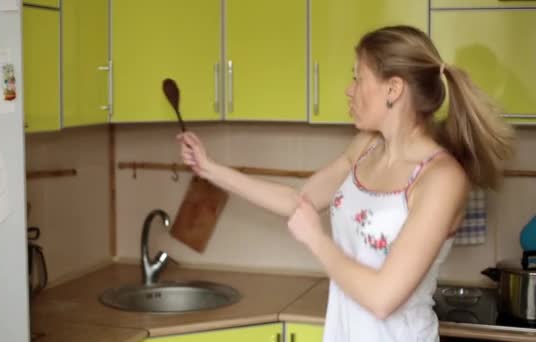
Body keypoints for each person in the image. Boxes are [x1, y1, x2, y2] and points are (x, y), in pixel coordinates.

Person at [177, 25, 514, 341]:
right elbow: (300, 200)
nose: (348, 89)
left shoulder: (441, 178)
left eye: (358, 77)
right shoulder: (366, 147)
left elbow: (384, 297)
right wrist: (210, 169)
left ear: (393, 89)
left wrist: (316, 239)